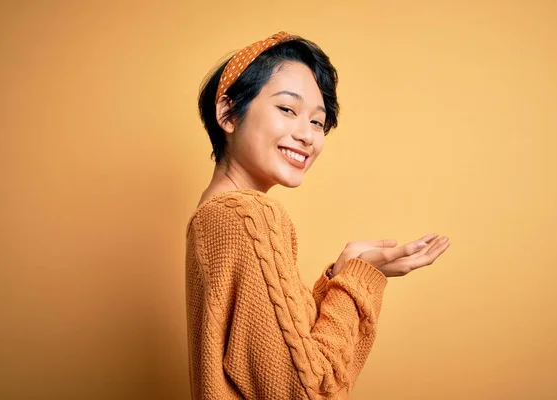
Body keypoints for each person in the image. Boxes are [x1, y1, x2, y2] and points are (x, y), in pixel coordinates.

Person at [185, 31, 451, 400]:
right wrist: (358, 283)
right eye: (287, 110)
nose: (308, 136)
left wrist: (341, 276)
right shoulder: (246, 215)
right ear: (228, 113)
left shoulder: (213, 216)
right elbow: (309, 391)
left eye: (317, 122)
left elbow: (281, 357)